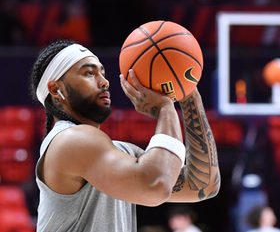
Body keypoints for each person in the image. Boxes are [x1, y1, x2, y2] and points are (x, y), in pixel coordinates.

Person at [30, 40, 221, 232]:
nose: (104, 81)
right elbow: (156, 185)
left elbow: (203, 185)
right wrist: (165, 108)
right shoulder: (69, 140)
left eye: (102, 73)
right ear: (56, 89)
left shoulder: (118, 152)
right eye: (89, 73)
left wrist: (188, 93)